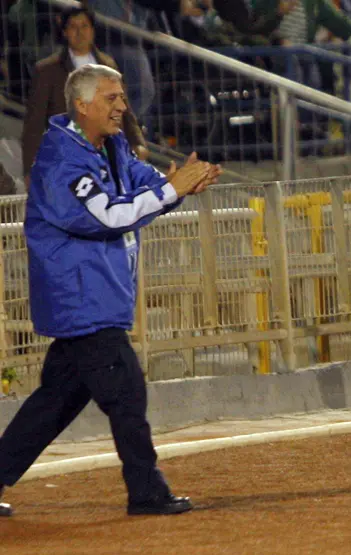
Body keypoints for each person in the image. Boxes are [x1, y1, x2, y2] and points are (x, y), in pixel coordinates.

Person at [0, 64, 222, 518]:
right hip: (82, 302)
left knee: (55, 402)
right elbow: (106, 217)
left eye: (121, 97)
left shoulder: (111, 145)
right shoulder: (62, 162)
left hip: (96, 299)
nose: (122, 106)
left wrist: (177, 186)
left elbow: (143, 182)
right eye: (111, 98)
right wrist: (168, 193)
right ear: (81, 106)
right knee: (126, 394)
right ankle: (147, 492)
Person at [22, 6, 147, 188]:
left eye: (84, 26)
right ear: (64, 32)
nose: (80, 32)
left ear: (93, 30)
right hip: (67, 156)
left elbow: (125, 109)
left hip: (109, 153)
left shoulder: (107, 64)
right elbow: (34, 124)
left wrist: (137, 143)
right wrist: (29, 168)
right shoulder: (47, 70)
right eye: (73, 27)